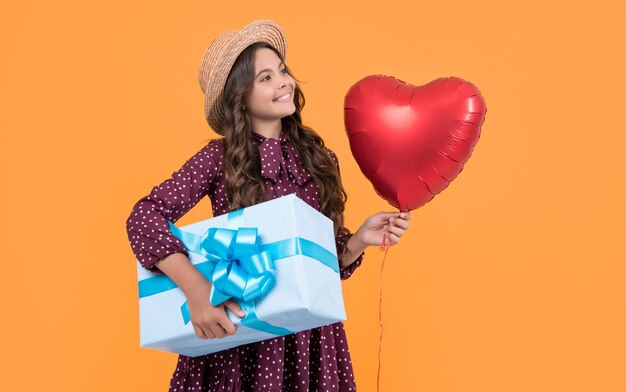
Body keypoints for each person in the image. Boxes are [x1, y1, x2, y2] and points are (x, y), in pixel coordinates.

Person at [125, 19, 411, 392]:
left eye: (283, 70)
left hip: (312, 342)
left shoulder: (320, 158)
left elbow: (315, 263)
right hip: (240, 333)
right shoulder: (218, 158)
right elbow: (143, 217)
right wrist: (197, 291)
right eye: (265, 77)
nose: (283, 82)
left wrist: (358, 239)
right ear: (239, 96)